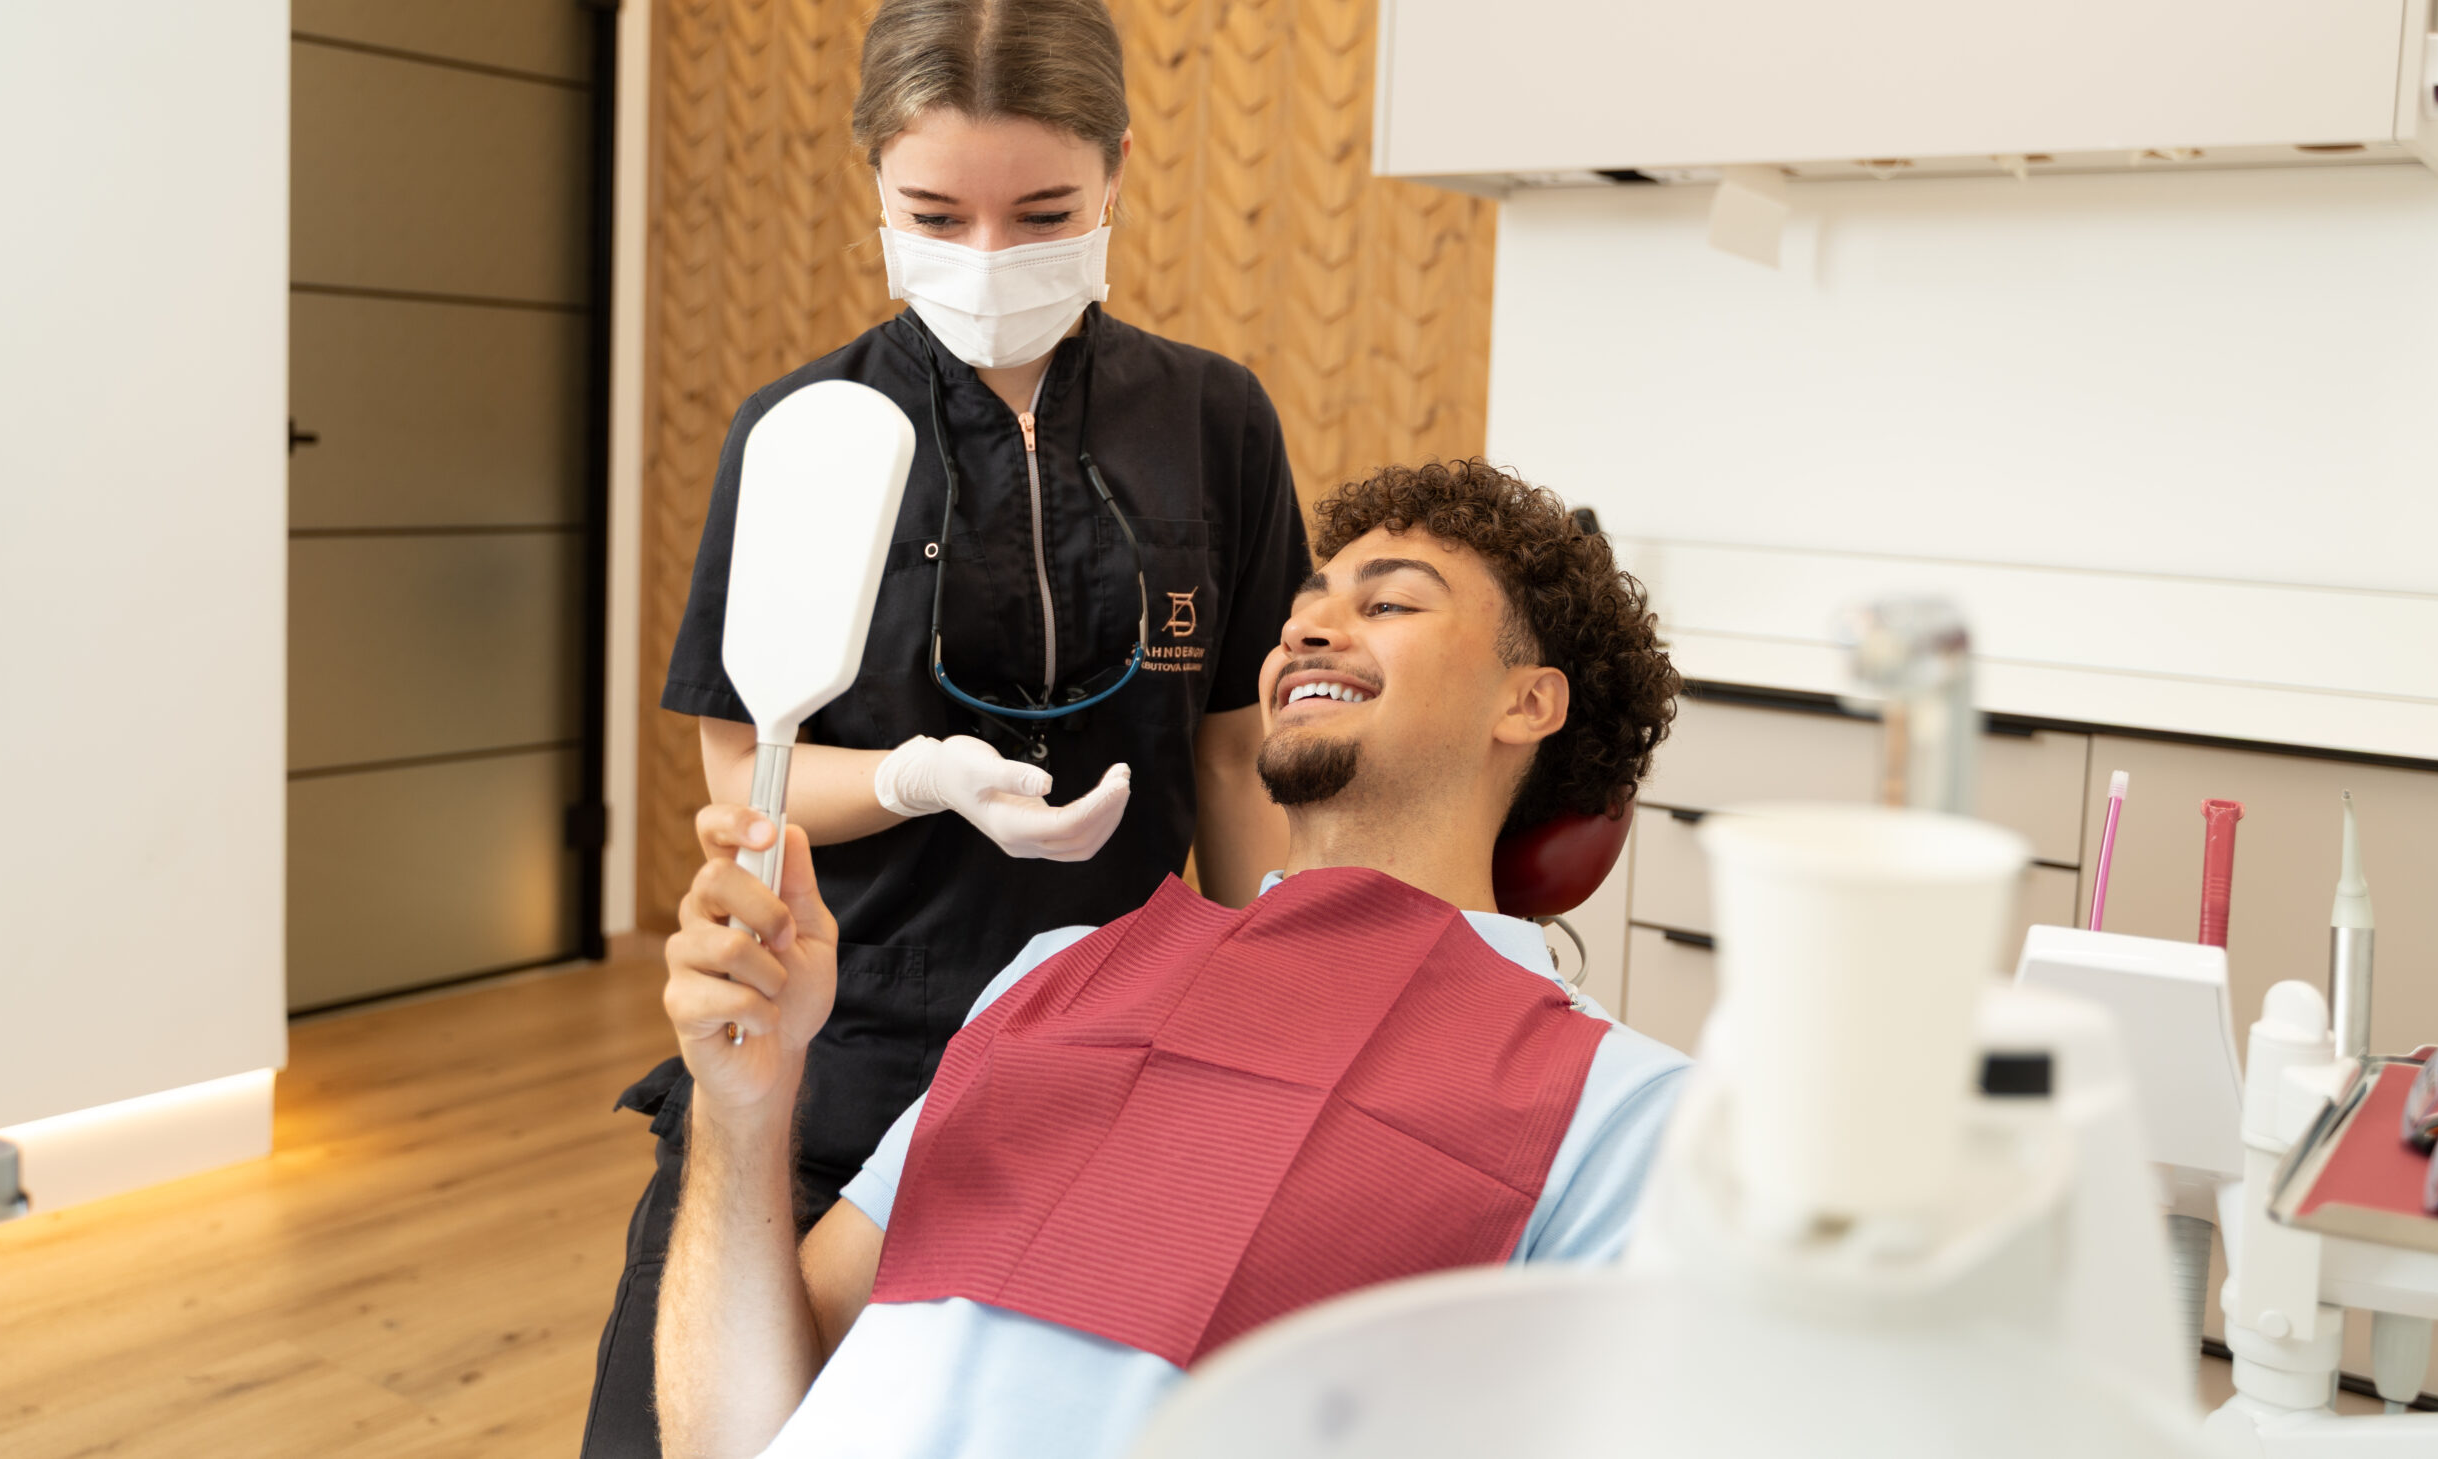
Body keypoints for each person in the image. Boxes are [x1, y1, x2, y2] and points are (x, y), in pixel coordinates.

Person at [583, 0, 1311, 1456]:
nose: (989, 256)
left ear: (1117, 170)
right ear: (876, 183)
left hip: (1110, 1053)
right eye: (934, 215)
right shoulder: (808, 432)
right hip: (841, 1038)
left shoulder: (1214, 423)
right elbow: (744, 774)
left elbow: (1237, 751)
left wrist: (1271, 1021)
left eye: (1042, 215)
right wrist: (914, 777)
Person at [654, 459, 1691, 1459]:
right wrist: (745, 1104)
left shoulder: (1620, 1108)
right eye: (1303, 611)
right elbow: (729, 1435)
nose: (1304, 631)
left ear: (1529, 703)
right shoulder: (1060, 972)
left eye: (1389, 604)